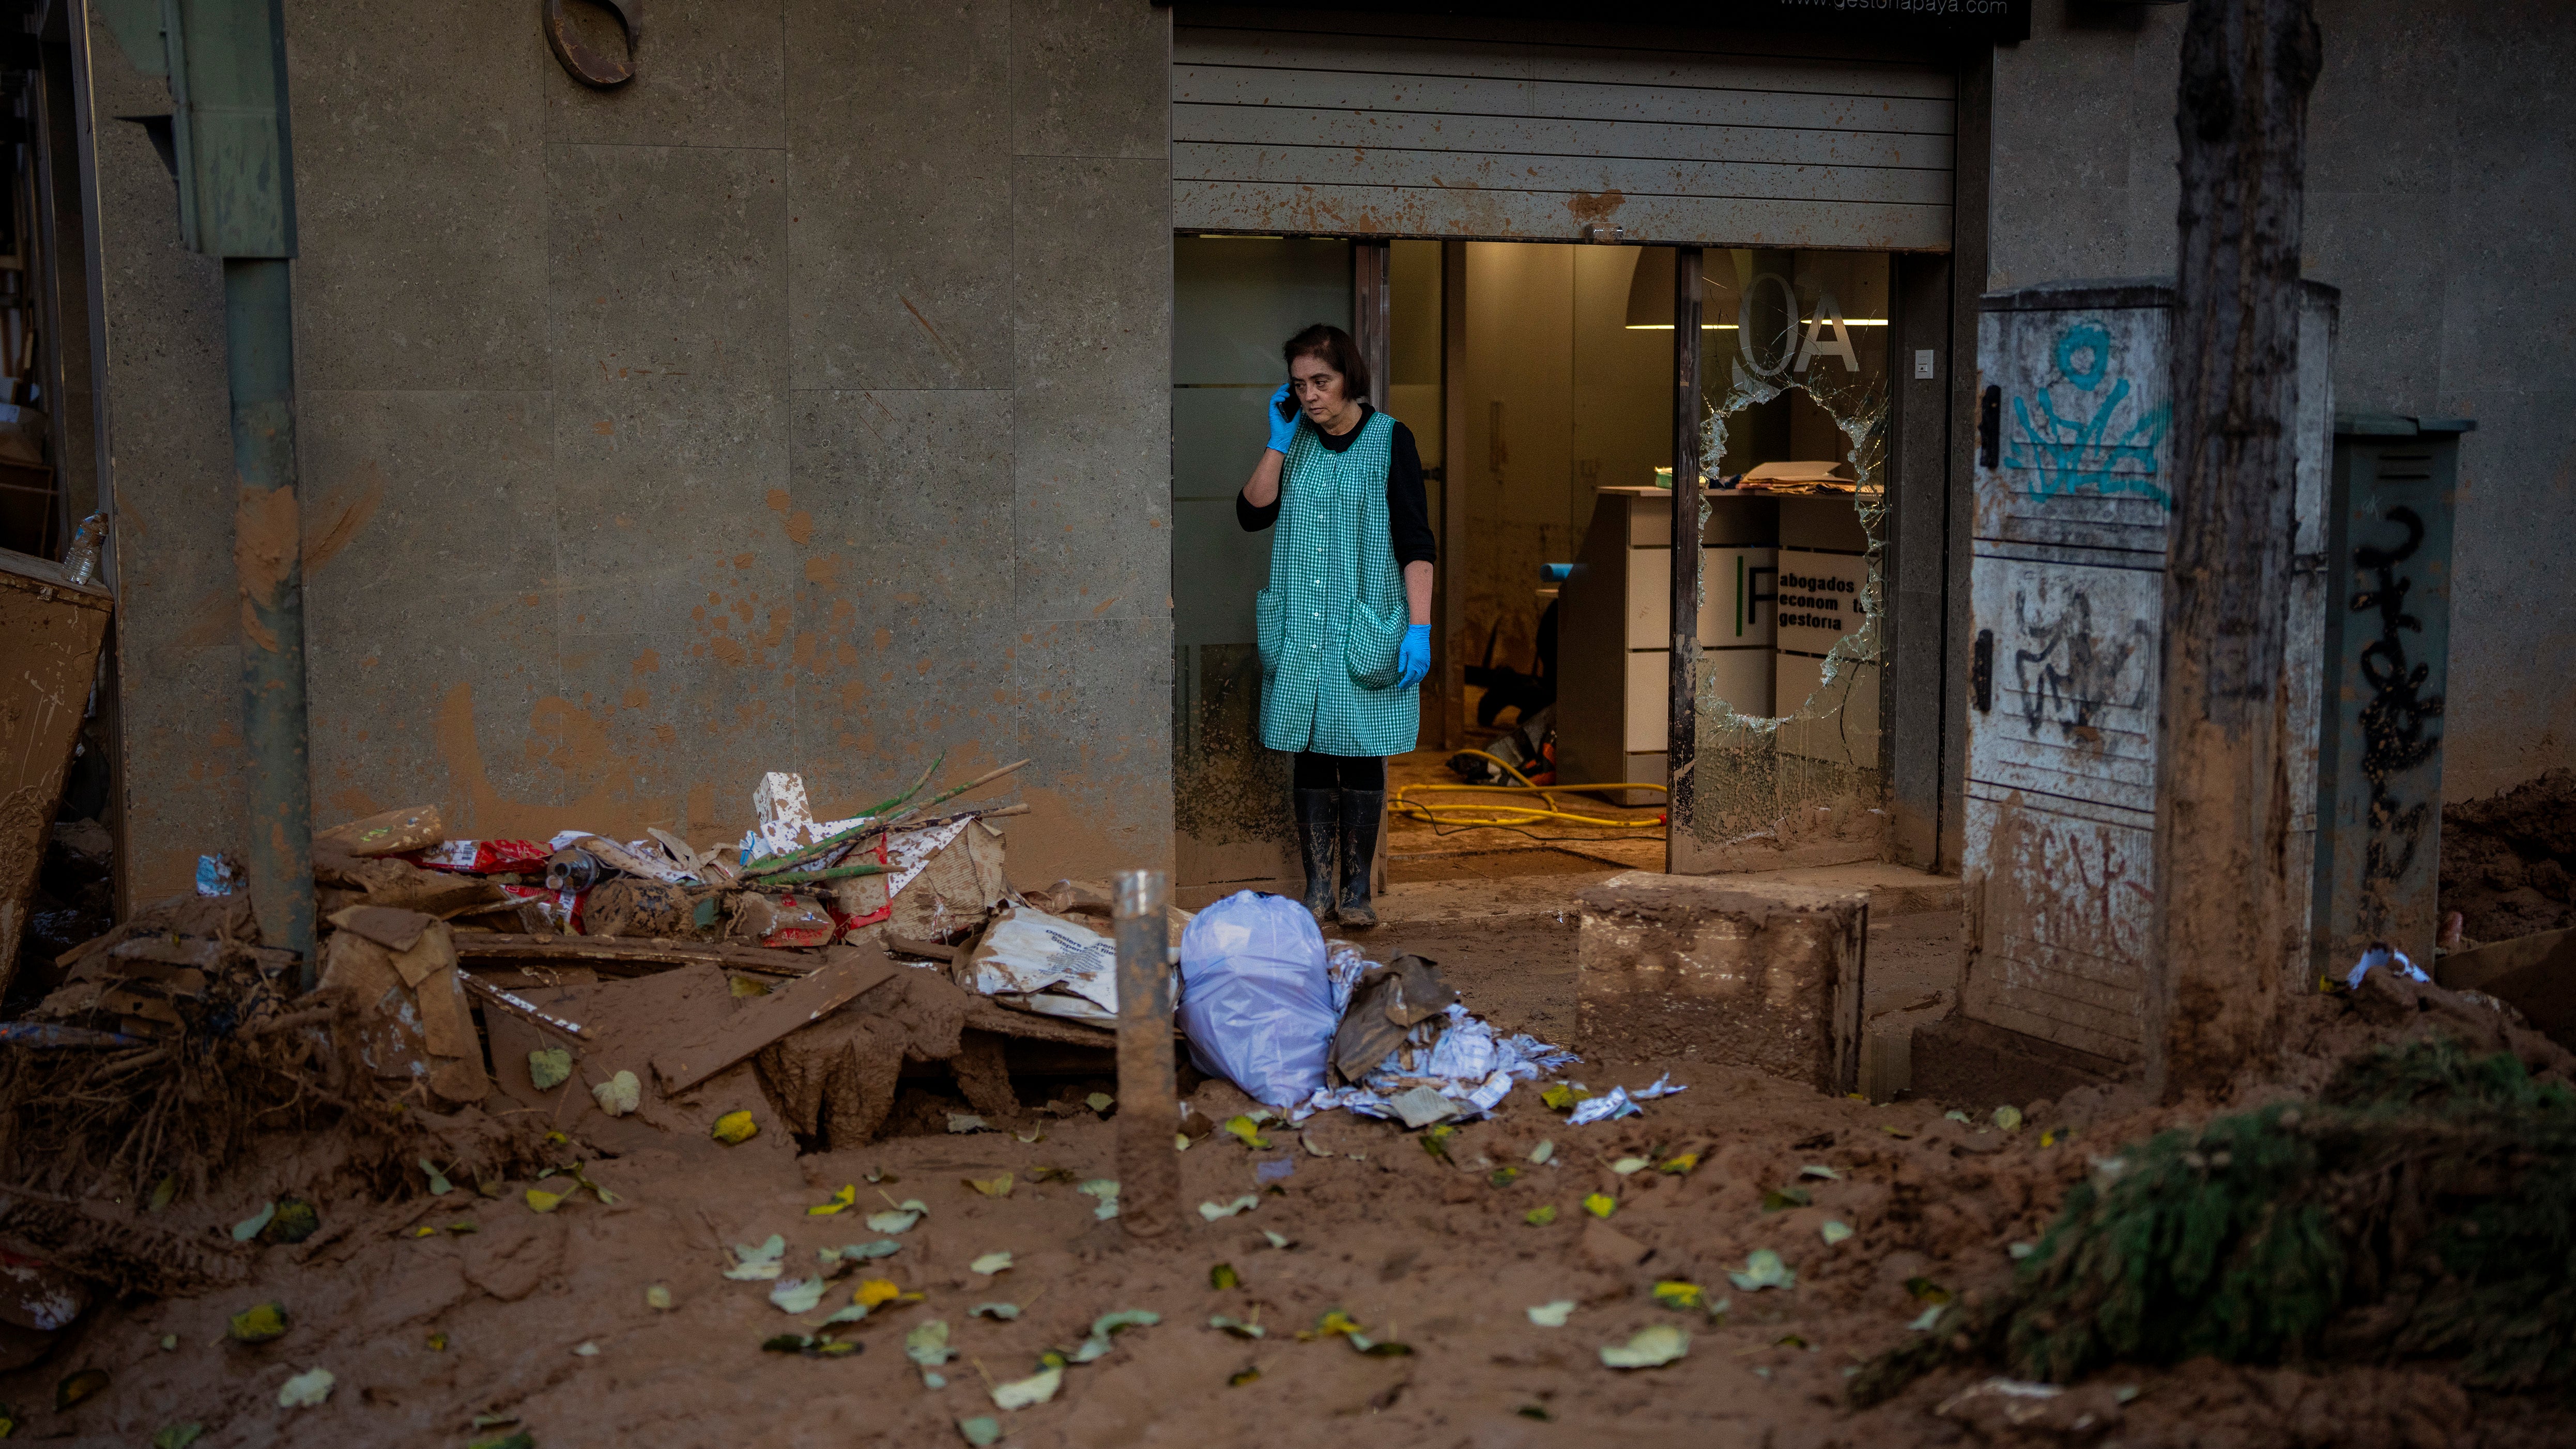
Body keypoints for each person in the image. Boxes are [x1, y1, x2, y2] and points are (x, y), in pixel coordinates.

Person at [1237, 323, 1435, 926]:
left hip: (1361, 623)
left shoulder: (1390, 439)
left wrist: (1420, 626)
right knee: (1310, 751)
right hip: (1302, 624)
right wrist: (1277, 442)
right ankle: (1317, 887)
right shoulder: (1293, 441)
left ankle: (1356, 891)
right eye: (1299, 385)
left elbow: (1416, 540)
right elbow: (1251, 513)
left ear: (1350, 377)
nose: (1310, 395)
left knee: (1362, 749)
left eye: (1320, 381)